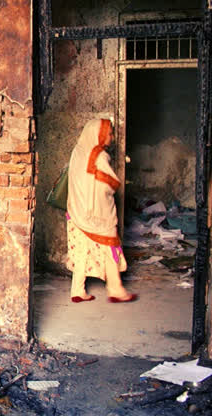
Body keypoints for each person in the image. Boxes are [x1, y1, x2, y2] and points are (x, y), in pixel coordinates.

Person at [65, 118, 137, 303]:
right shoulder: (100, 156)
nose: (111, 137)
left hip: (76, 210)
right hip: (99, 215)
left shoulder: (77, 152)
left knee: (81, 250)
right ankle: (116, 289)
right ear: (98, 135)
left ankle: (77, 290)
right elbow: (111, 184)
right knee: (110, 248)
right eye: (109, 133)